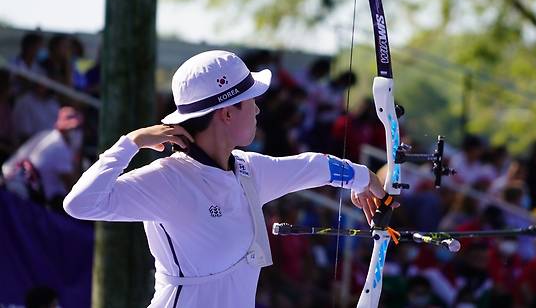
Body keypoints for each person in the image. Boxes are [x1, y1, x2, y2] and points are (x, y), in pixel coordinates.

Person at [63, 50, 389, 308]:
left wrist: (364, 178)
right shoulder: (168, 180)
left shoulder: (249, 169)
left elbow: (315, 166)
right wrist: (132, 142)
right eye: (252, 102)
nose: (259, 111)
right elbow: (81, 203)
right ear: (228, 113)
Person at [2, 106, 83, 208]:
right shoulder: (59, 147)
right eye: (72, 129)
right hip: (20, 196)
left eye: (77, 128)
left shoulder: (46, 135)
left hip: (16, 186)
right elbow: (72, 186)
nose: (76, 133)